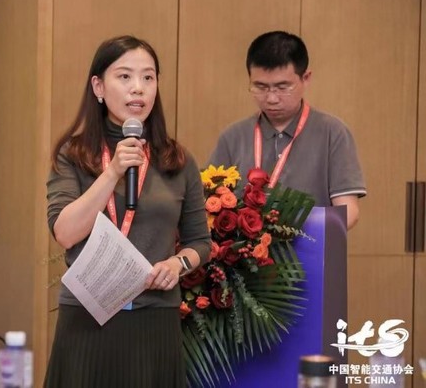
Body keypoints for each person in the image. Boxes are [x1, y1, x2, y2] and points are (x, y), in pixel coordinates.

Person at [45, 35, 211, 388]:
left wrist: (177, 264)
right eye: (125, 76)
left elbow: (200, 242)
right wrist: (112, 172)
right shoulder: (73, 154)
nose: (138, 88)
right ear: (98, 86)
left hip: (154, 319)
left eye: (148, 77)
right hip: (87, 318)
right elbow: (65, 232)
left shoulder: (177, 160)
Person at [208, 31, 366, 229]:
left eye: (282, 87)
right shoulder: (232, 137)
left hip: (310, 246)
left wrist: (288, 233)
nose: (271, 98)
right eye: (260, 87)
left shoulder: (333, 133)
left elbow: (349, 211)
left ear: (305, 78)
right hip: (247, 248)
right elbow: (209, 204)